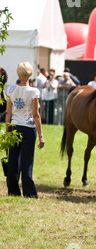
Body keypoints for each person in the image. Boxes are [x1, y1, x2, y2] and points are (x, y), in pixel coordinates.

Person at [5, 62, 45, 198]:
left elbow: (8, 113)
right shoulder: (34, 92)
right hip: (28, 128)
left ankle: (13, 190)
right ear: (30, 74)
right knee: (27, 162)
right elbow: (35, 114)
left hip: (14, 127)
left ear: (18, 74)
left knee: (13, 160)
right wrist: (41, 135)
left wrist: (7, 130)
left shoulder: (10, 90)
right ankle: (29, 192)